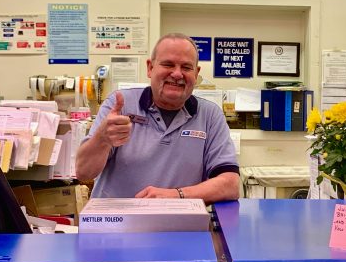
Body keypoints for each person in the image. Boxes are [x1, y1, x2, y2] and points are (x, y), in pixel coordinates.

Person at [76, 33, 240, 204]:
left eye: (186, 67)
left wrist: (175, 196)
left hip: (179, 227)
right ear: (150, 67)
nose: (177, 74)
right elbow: (84, 173)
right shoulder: (120, 105)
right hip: (116, 224)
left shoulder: (210, 116)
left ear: (196, 73)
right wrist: (102, 139)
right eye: (168, 64)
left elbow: (230, 185)